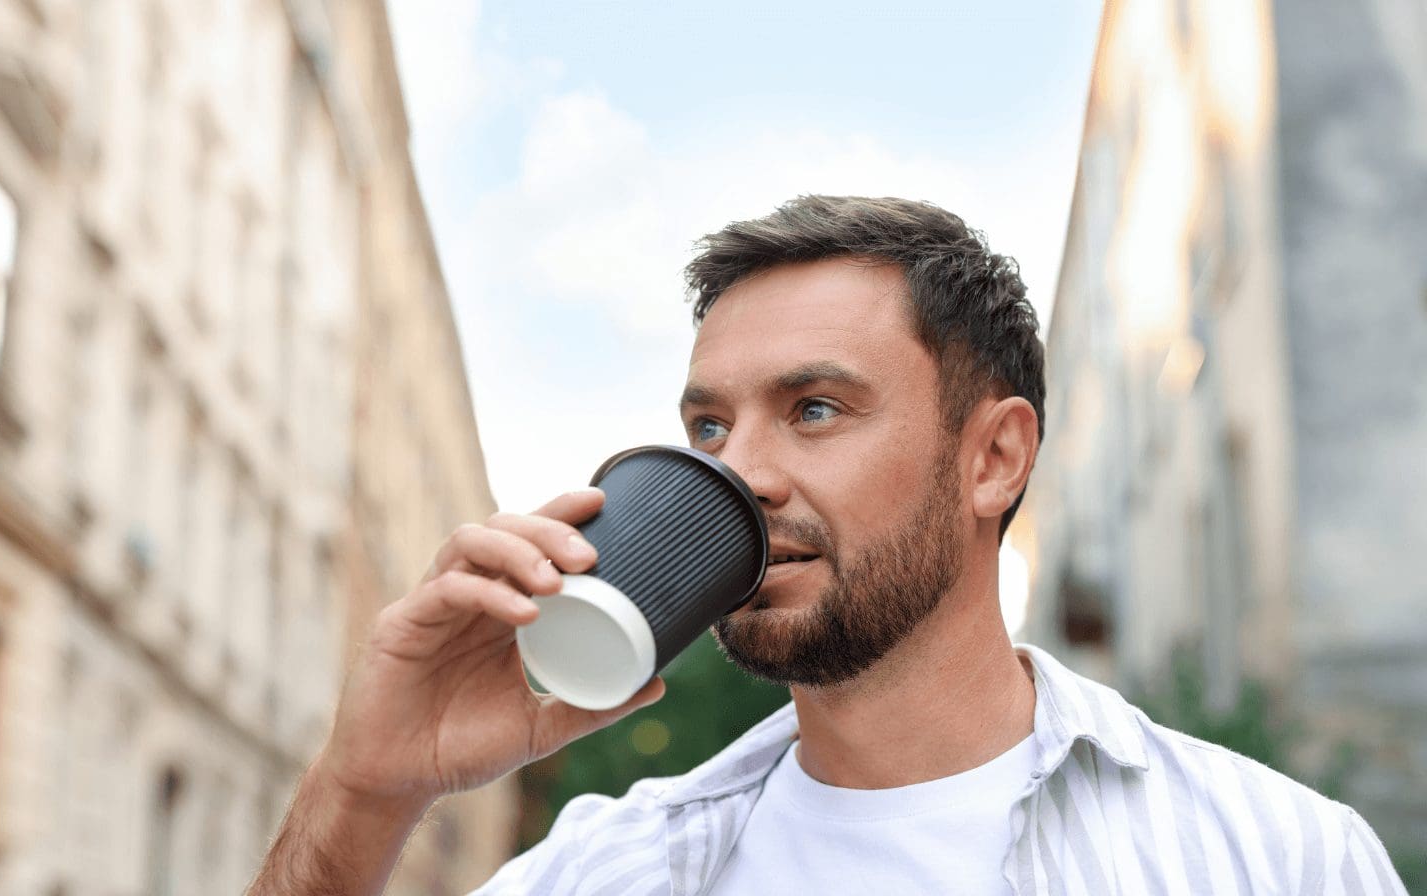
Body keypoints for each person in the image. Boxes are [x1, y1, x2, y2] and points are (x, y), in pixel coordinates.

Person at [247, 196, 1407, 895]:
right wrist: (366, 784)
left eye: (813, 409)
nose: (737, 471)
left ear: (993, 457)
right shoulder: (619, 867)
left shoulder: (1263, 854)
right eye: (707, 422)